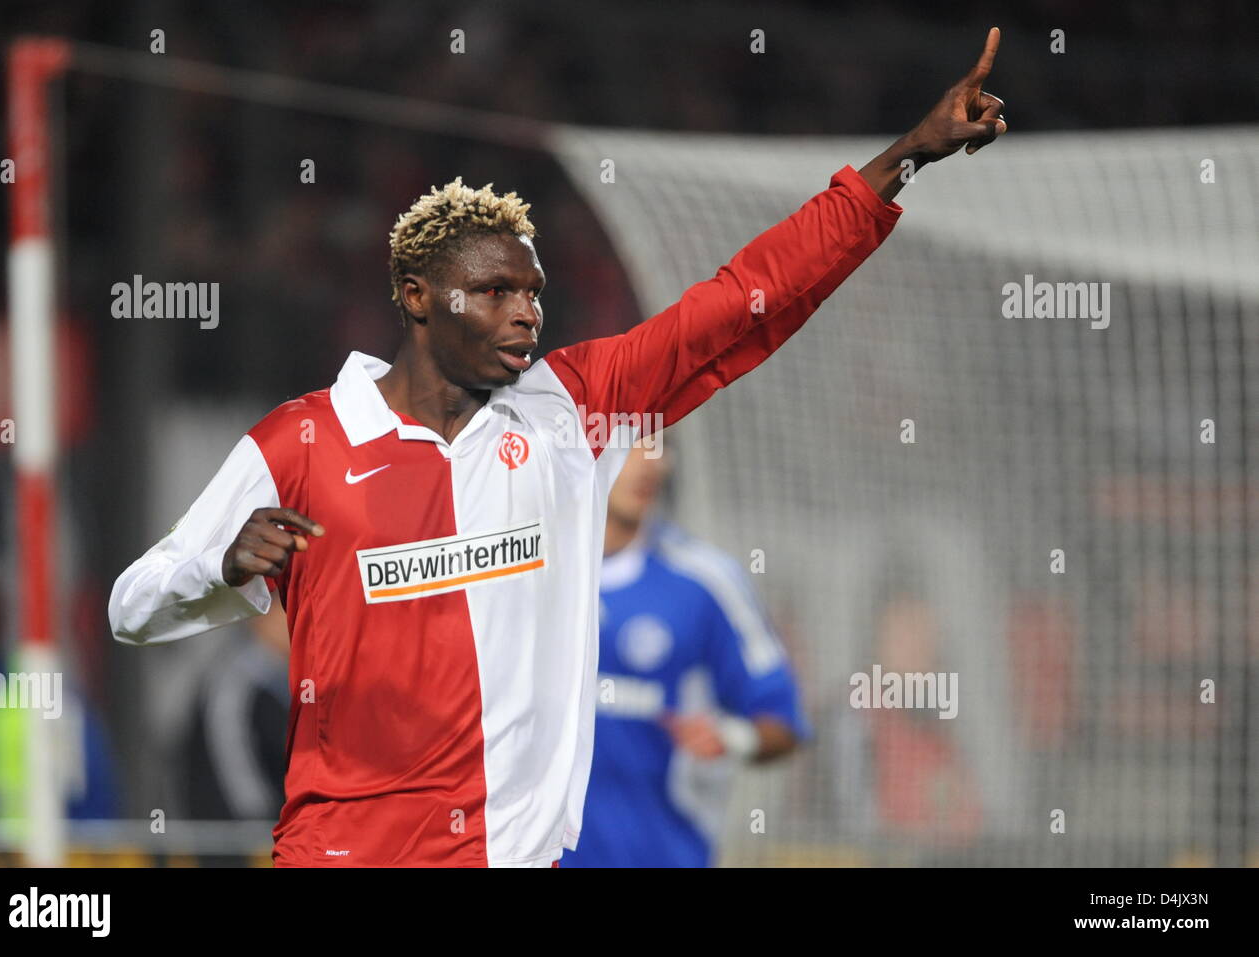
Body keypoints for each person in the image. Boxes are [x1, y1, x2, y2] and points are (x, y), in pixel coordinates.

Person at [108, 29, 1007, 867]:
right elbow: (131, 607)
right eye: (494, 291)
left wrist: (901, 161)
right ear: (419, 297)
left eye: (532, 292)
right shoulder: (299, 441)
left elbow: (742, 302)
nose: (526, 311)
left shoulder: (570, 409)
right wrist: (221, 568)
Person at [560, 443, 809, 868]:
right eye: (631, 442)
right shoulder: (528, 569)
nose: (652, 462)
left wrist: (734, 736)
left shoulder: (706, 580)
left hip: (664, 855)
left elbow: (784, 723)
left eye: (661, 446)